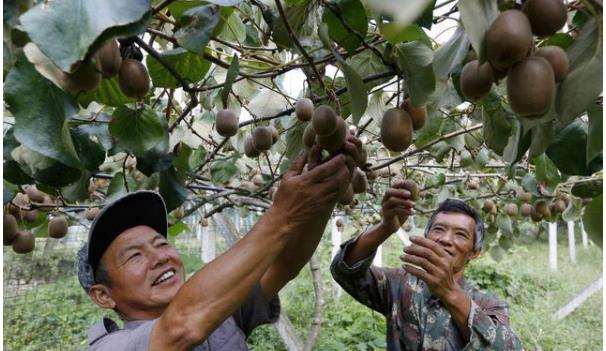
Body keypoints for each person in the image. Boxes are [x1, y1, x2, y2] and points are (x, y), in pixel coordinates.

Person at [78, 137, 362, 350]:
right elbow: (181, 326)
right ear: (103, 295)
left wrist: (326, 191)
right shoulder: (112, 346)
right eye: (135, 256)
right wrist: (283, 214)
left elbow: (284, 265)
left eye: (161, 244)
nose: (160, 257)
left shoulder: (220, 310)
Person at [331, 180, 523, 350]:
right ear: (426, 238)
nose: (446, 239)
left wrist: (449, 292)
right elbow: (344, 271)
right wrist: (385, 227)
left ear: (474, 252)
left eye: (460, 234)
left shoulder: (488, 304)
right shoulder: (400, 284)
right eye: (439, 229)